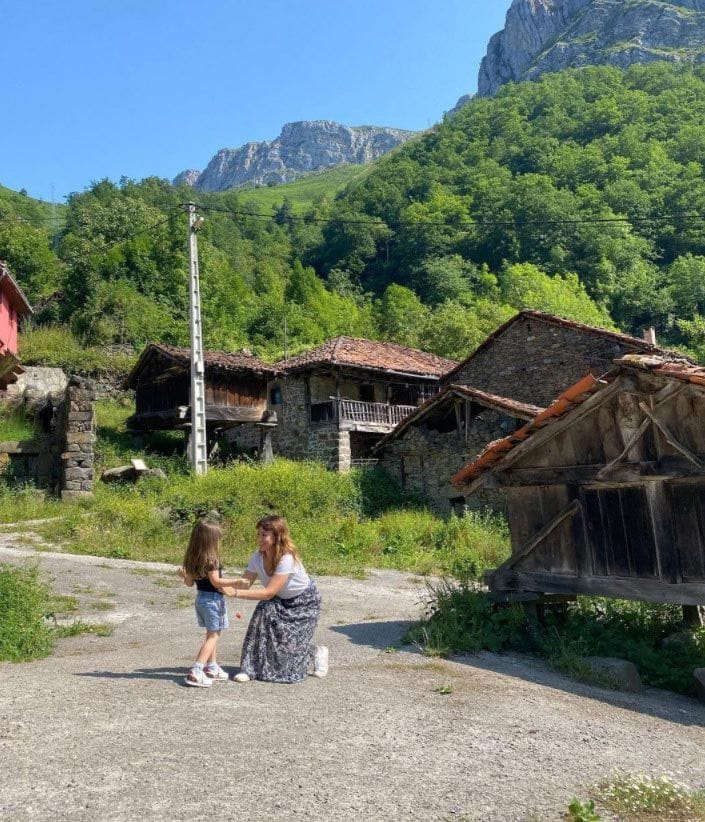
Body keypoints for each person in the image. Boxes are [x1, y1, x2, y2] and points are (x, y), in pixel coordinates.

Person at [229, 515, 328, 684]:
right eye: (258, 534)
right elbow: (244, 583)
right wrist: (218, 583)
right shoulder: (257, 557)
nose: (260, 539)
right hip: (279, 600)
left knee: (289, 651)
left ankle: (316, 652)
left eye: (264, 535)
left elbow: (268, 592)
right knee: (263, 610)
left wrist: (234, 593)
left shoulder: (287, 558)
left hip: (304, 603)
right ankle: (249, 668)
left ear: (277, 537)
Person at [177, 518, 246, 688]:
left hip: (200, 599)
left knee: (211, 634)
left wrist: (183, 575)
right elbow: (216, 582)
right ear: (211, 541)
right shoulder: (212, 559)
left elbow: (189, 583)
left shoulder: (193, 558)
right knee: (214, 636)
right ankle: (197, 669)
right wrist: (236, 581)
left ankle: (212, 667)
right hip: (213, 601)